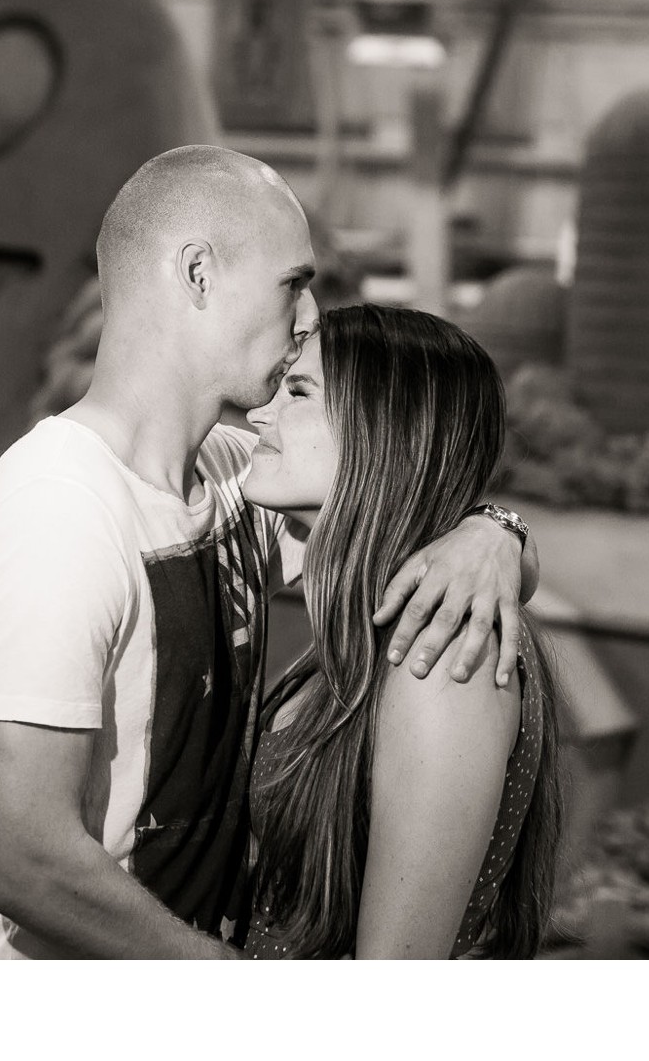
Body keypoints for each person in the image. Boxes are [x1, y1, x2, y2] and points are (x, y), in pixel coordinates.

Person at [0, 145, 539, 959]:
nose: (306, 319)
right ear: (197, 274)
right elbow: (21, 857)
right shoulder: (59, 507)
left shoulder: (229, 477)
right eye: (293, 283)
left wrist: (495, 532)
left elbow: (386, 509)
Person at [241, 305, 562, 959]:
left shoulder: (444, 657)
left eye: (298, 391)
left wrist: (498, 529)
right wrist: (499, 525)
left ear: (387, 432)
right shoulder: (378, 626)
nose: (259, 412)